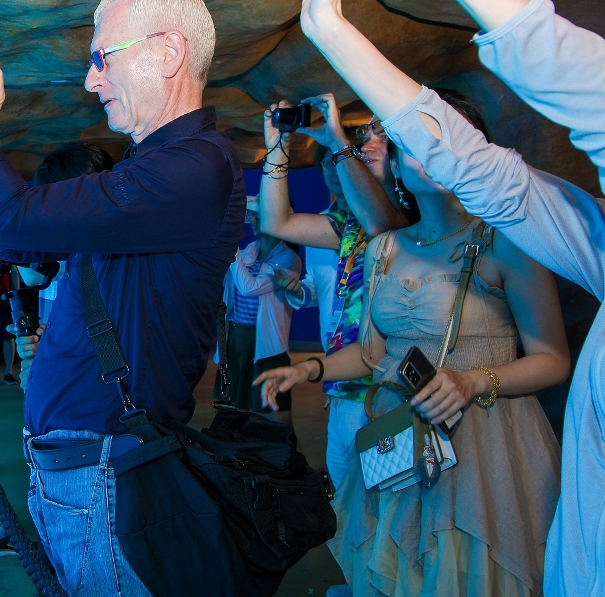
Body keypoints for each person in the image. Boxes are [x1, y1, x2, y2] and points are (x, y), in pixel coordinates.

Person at [285, 0, 605, 591]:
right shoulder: (395, 243)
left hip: (490, 456)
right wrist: (344, 26)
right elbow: (486, 172)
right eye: (403, 150)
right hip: (409, 450)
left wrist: (475, 382)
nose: (414, 157)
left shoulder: (507, 243)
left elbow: (487, 180)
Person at [0, 0, 245, 594]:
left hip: (107, 471)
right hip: (90, 470)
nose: (90, 80)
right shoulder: (156, 168)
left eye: (103, 57)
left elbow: (7, 220)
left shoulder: (193, 169)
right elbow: (18, 241)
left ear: (168, 51)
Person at [254, 83, 569, 594]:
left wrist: (473, 381)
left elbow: (553, 359)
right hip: (402, 438)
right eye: (417, 144)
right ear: (396, 165)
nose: (433, 154)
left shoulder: (505, 241)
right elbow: (373, 355)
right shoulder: (382, 249)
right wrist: (308, 368)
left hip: (487, 443)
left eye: (449, 141)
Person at [260, 96, 409, 530]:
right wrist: (277, 149)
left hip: (386, 397)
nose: (368, 143)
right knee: (346, 519)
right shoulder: (348, 225)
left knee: (389, 525)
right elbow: (277, 223)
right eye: (366, 134)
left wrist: (339, 140)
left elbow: (384, 223)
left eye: (383, 137)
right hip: (344, 391)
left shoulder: (411, 221)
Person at [13, 142, 118, 390]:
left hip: (89, 393)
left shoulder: (113, 262)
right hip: (57, 385)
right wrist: (40, 354)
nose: (48, 213)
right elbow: (33, 279)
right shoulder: (61, 250)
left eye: (54, 202)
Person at [222, 195, 302, 424]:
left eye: (261, 215)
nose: (254, 220)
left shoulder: (288, 259)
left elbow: (250, 288)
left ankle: (283, 449)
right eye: (252, 215)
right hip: (236, 339)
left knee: (276, 419)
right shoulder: (249, 250)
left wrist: (230, 246)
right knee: (236, 413)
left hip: (267, 345)